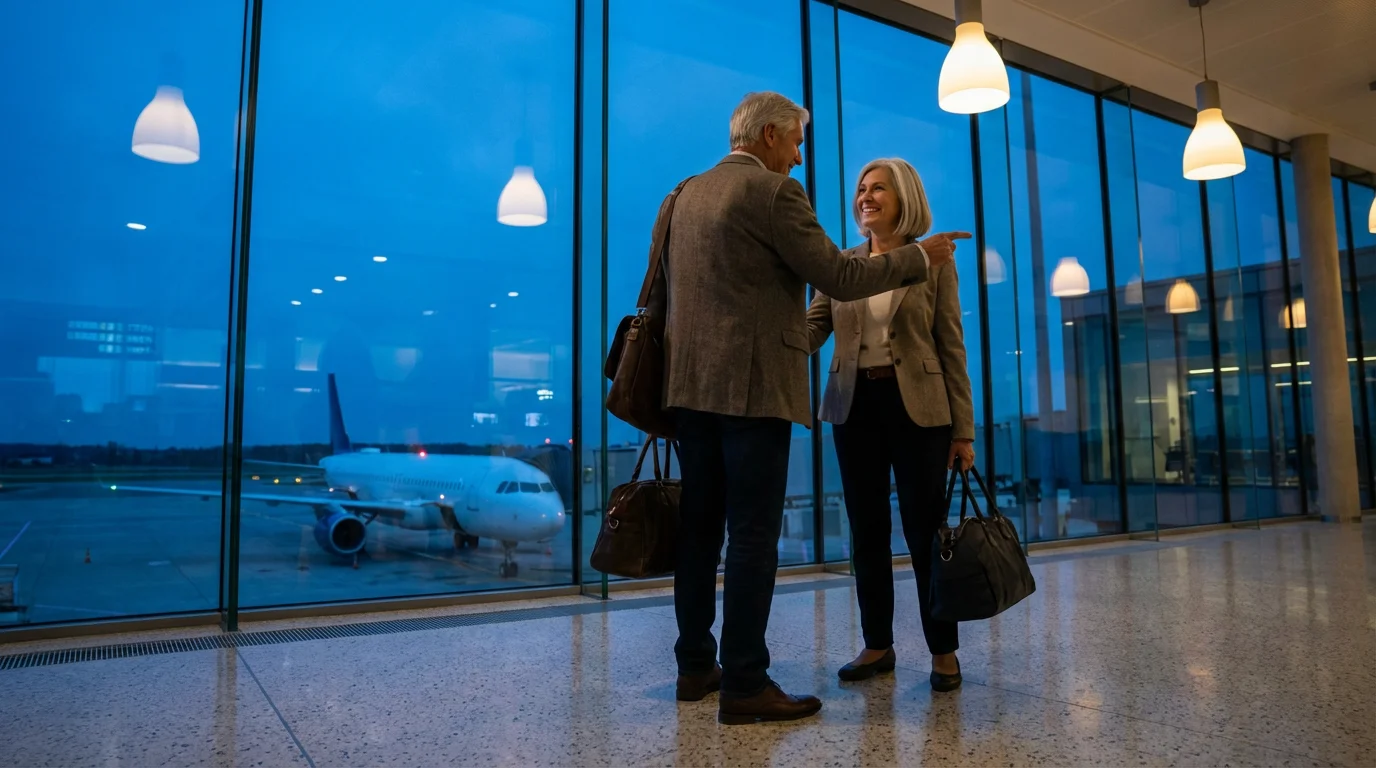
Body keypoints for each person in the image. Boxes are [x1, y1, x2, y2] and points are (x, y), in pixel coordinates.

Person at [652, 92, 967, 724]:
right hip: (756, 394)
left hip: (690, 392)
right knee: (751, 539)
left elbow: (665, 292)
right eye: (796, 142)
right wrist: (918, 257)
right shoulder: (772, 195)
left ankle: (696, 667)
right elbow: (837, 285)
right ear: (770, 135)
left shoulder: (681, 195)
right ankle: (744, 681)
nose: (799, 158)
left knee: (700, 533)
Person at [806, 157, 975, 693]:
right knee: (867, 531)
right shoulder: (840, 263)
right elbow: (814, 326)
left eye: (878, 188)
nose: (865, 196)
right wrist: (766, 334)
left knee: (926, 533)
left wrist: (963, 431)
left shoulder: (934, 262)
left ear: (904, 198)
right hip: (853, 407)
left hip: (919, 408)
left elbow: (950, 345)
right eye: (861, 188)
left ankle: (942, 650)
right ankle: (877, 643)